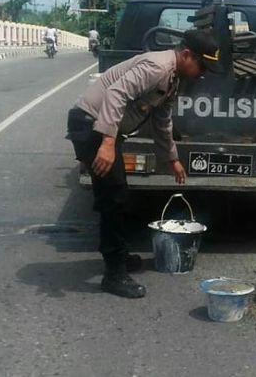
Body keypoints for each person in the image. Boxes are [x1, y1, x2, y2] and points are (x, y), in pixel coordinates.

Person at [66, 29, 222, 299]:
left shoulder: (173, 77)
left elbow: (162, 120)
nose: (202, 73)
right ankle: (114, 274)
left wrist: (172, 159)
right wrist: (106, 143)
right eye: (201, 65)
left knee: (116, 197)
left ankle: (119, 257)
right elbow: (116, 94)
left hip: (102, 129)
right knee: (113, 199)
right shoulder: (158, 67)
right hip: (91, 126)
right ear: (186, 55)